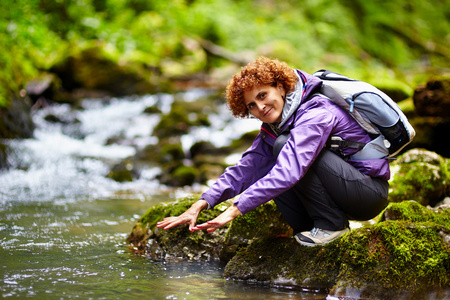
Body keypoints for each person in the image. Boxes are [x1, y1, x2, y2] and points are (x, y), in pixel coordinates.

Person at [157, 57, 389, 247]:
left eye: (262, 95)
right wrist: (202, 203)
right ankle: (309, 230)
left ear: (279, 87)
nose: (260, 108)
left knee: (284, 151)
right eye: (251, 105)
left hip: (367, 193)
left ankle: (332, 226)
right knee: (273, 154)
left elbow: (288, 172)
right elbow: (247, 168)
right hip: (341, 190)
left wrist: (234, 210)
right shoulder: (277, 126)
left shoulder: (316, 111)